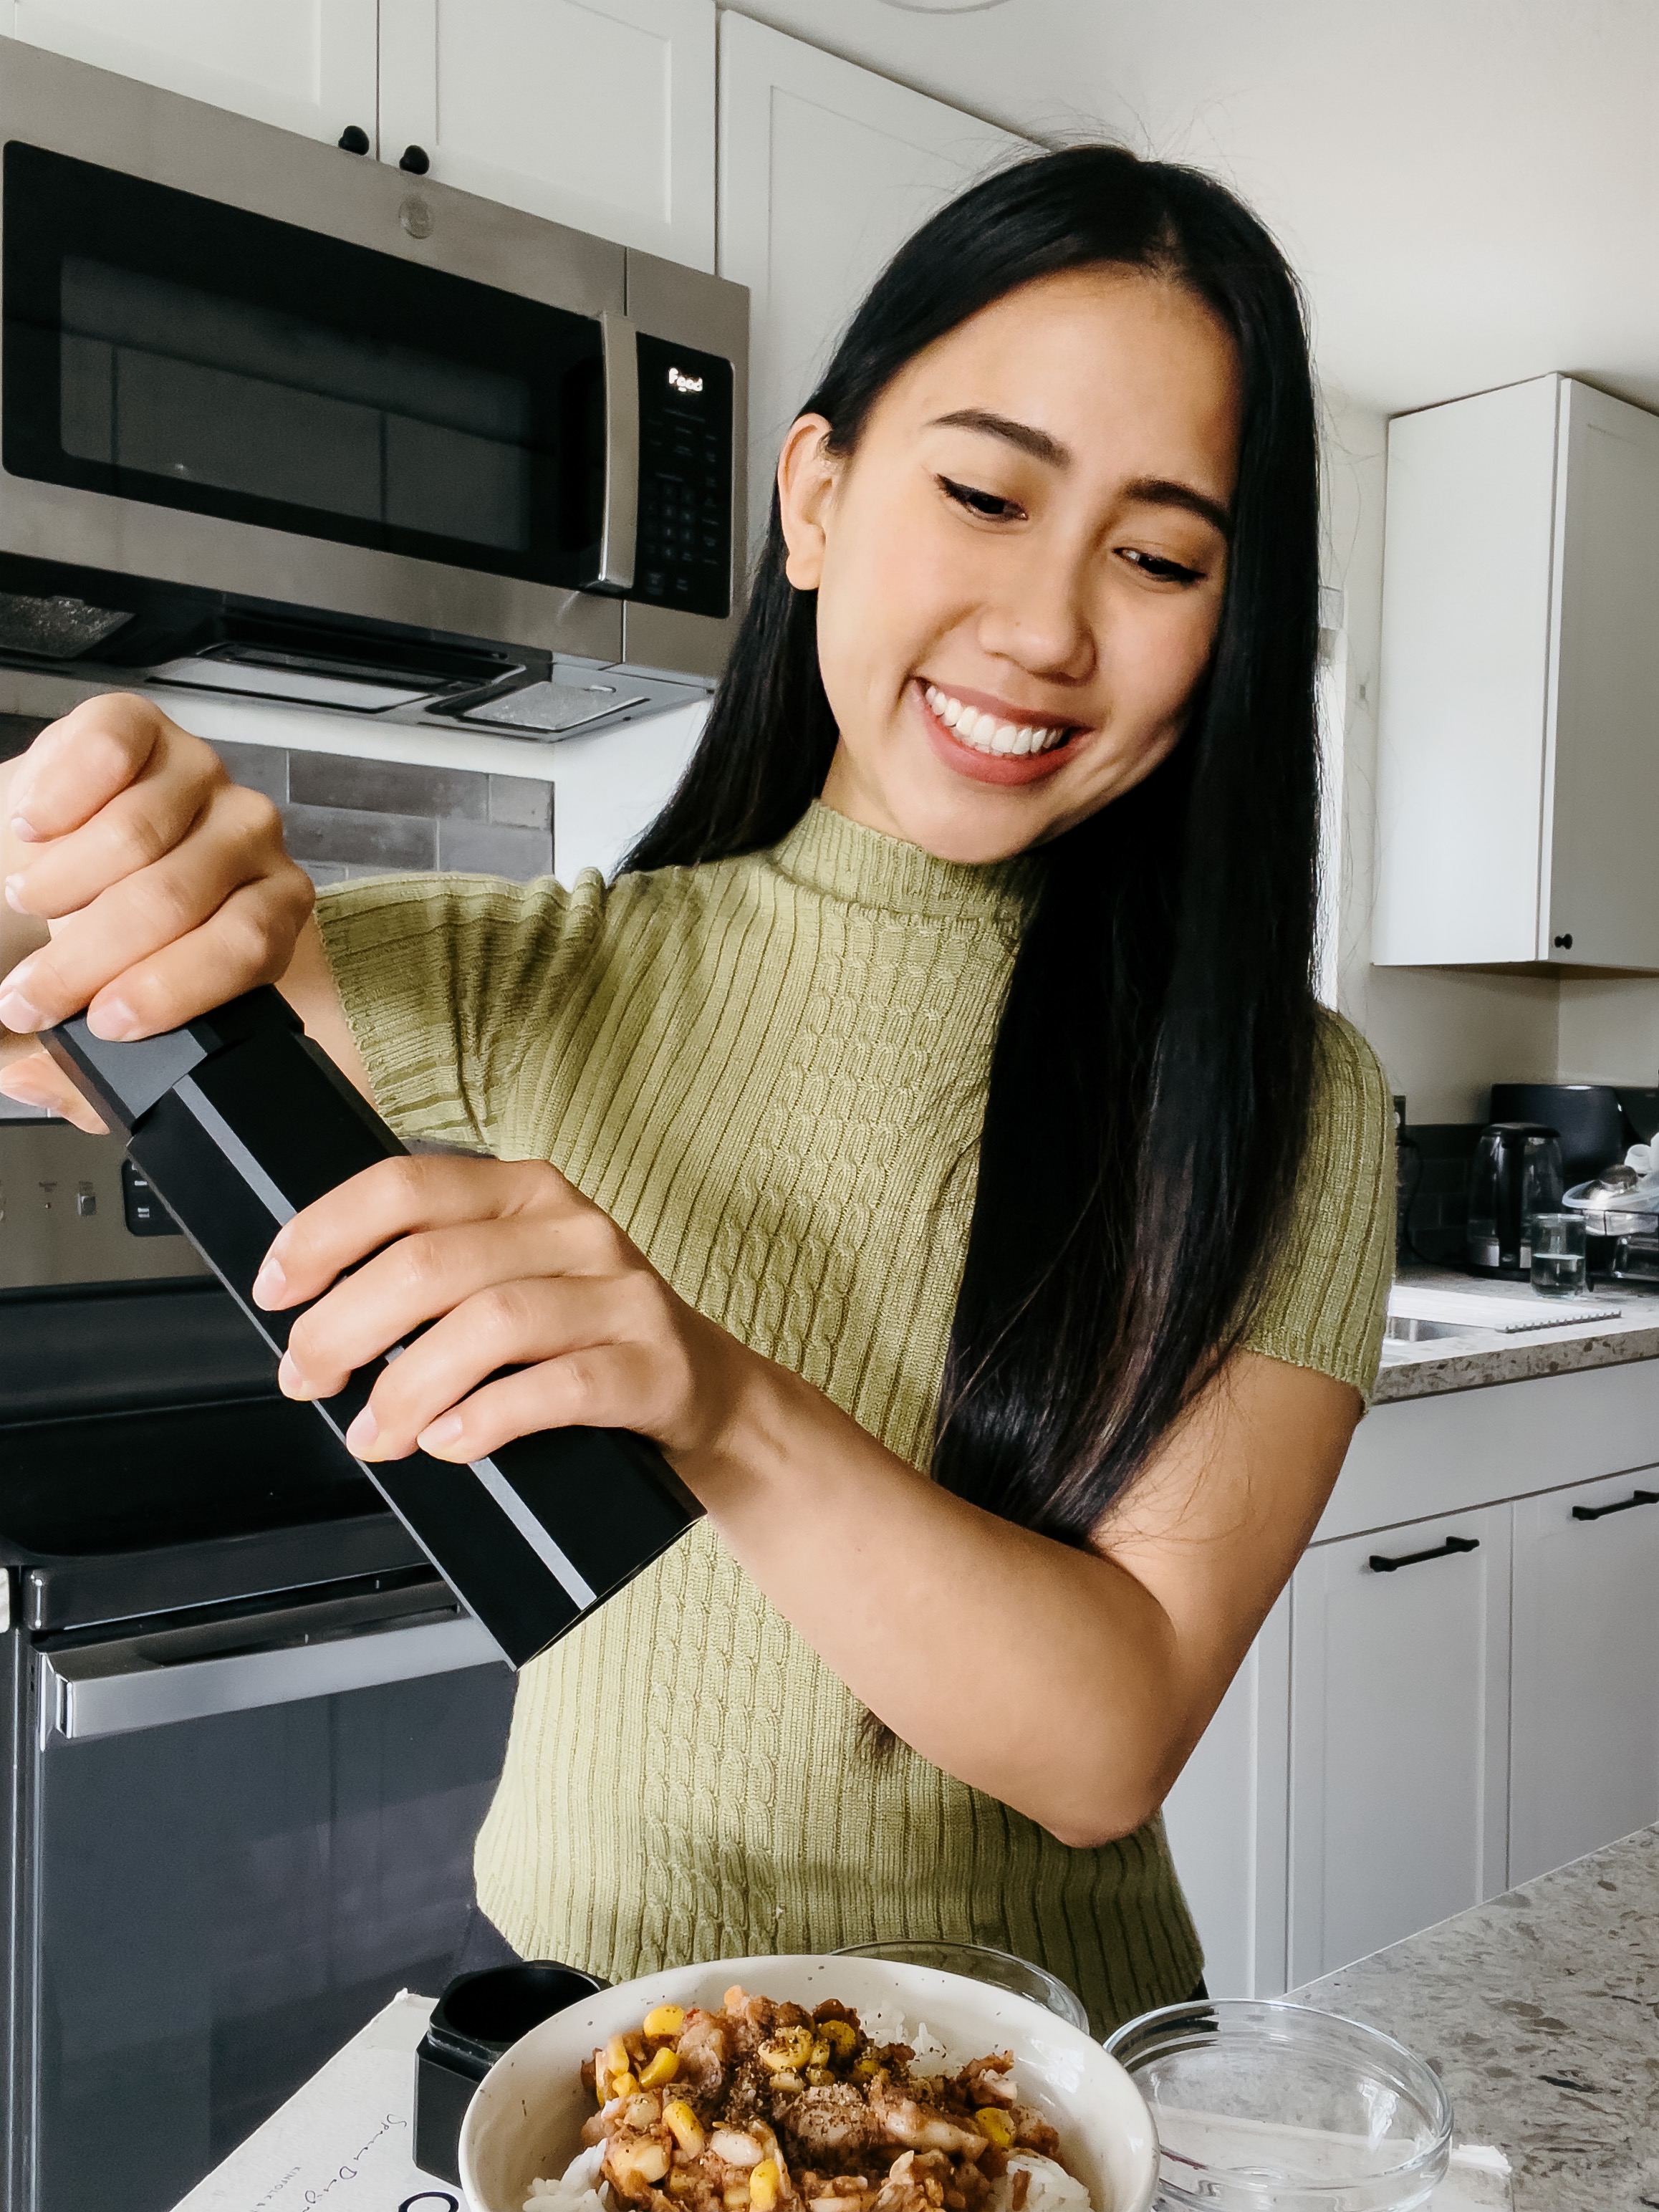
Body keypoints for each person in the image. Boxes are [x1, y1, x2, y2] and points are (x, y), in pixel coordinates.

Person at [0, 146, 1392, 2034]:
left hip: (1029, 2087)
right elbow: (96, 988)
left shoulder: (1280, 1097)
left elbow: (1103, 1741)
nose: (1049, 629)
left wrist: (715, 1400)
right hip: (596, 2054)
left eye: (1156, 555)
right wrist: (76, 861)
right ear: (812, 499)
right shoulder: (523, 984)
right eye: (983, 492)